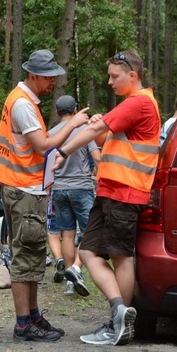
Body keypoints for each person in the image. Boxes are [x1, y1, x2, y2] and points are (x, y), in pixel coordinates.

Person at [54, 49, 161, 346]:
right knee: (88, 253)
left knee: (121, 256)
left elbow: (99, 130)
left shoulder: (139, 102)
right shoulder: (134, 104)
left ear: (133, 75)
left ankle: (118, 325)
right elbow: (108, 138)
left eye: (115, 77)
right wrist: (98, 128)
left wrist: (62, 151)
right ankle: (118, 312)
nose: (110, 82)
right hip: (111, 190)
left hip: (124, 192)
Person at [0, 48, 89, 343]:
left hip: (25, 187)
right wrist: (72, 124)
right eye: (48, 78)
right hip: (24, 189)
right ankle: (23, 323)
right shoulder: (22, 104)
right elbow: (43, 145)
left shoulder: (23, 100)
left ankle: (32, 315)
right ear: (32, 75)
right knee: (25, 255)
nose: (52, 84)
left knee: (34, 252)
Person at [47, 95, 102, 297]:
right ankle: (76, 268)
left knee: (67, 233)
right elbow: (96, 158)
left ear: (57, 111)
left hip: (59, 189)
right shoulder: (84, 130)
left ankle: (70, 283)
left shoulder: (50, 133)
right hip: (82, 186)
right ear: (76, 110)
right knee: (90, 230)